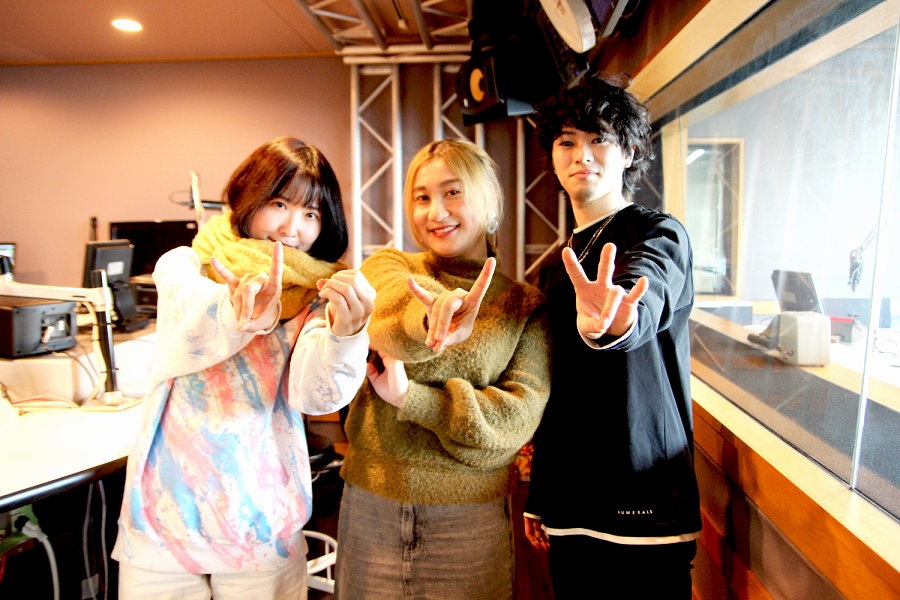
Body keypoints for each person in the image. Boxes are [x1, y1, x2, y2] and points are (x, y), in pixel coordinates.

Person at [111, 137, 375, 600]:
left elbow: (317, 395)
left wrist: (347, 335)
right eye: (279, 204)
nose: (292, 227)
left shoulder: (316, 297)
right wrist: (238, 311)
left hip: (262, 514)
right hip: (164, 512)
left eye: (311, 213)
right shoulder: (187, 264)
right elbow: (192, 323)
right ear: (248, 196)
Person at [334, 139, 552, 600]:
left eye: (453, 192)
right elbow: (390, 314)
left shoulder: (525, 306)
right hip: (372, 506)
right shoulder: (390, 266)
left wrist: (412, 399)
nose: (436, 212)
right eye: (422, 197)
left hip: (471, 520)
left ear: (489, 200)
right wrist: (433, 316)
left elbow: (514, 422)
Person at [522, 77, 701, 599]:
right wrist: (542, 492)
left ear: (629, 152)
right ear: (553, 158)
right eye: (567, 142)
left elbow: (646, 294)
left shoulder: (657, 233)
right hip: (570, 501)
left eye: (599, 139)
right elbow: (554, 387)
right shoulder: (556, 267)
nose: (582, 155)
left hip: (643, 492)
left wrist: (616, 322)